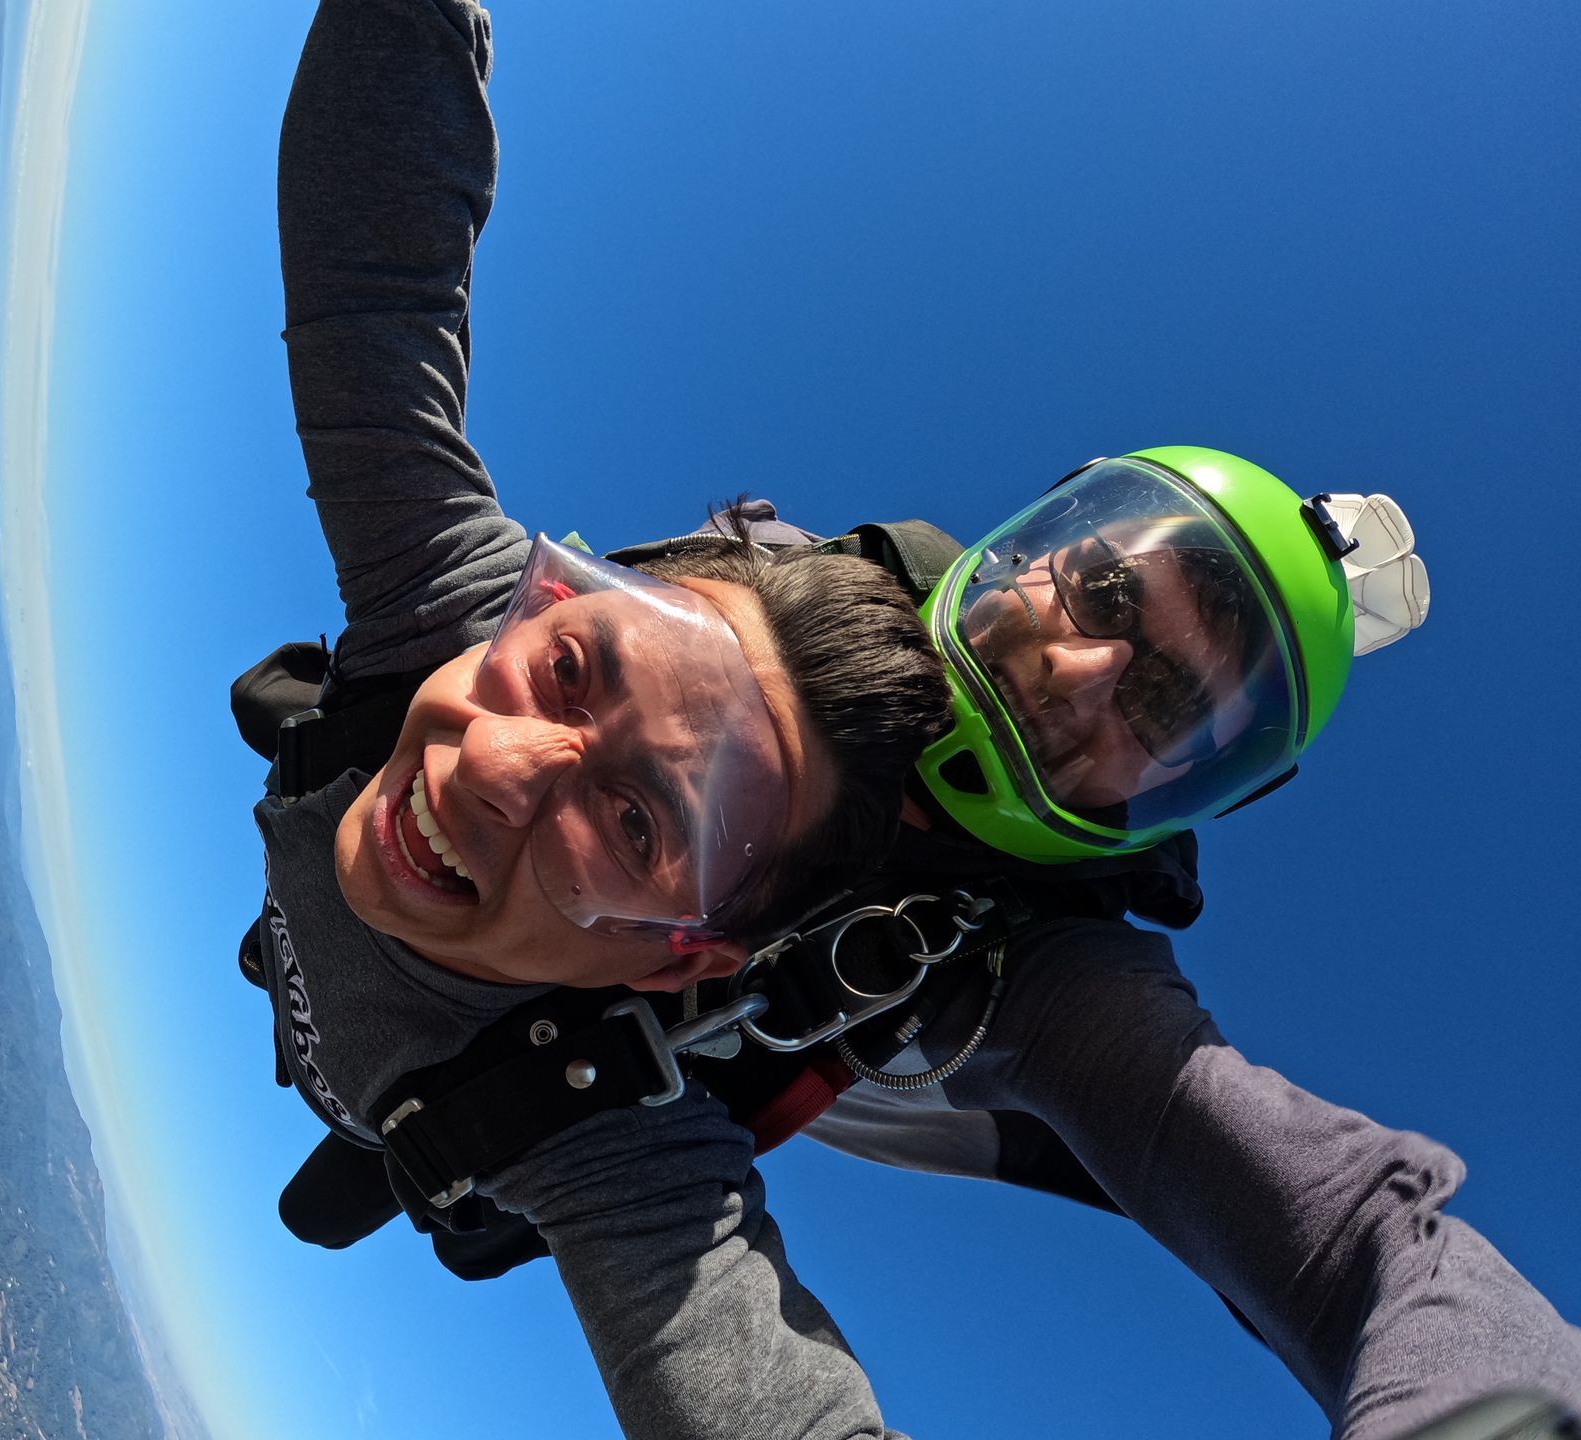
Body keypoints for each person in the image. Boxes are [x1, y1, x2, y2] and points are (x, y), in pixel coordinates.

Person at [263, 2, 1581, 1436]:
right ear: (1029, 545)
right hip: (407, 1014)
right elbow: (377, 297)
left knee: (464, 1132)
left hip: (516, 1091)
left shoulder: (1043, 982)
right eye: (1095, 591)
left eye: (1157, 701)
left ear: (1189, 795)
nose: (1077, 675)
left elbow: (1345, 1235)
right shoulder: (508, 631)